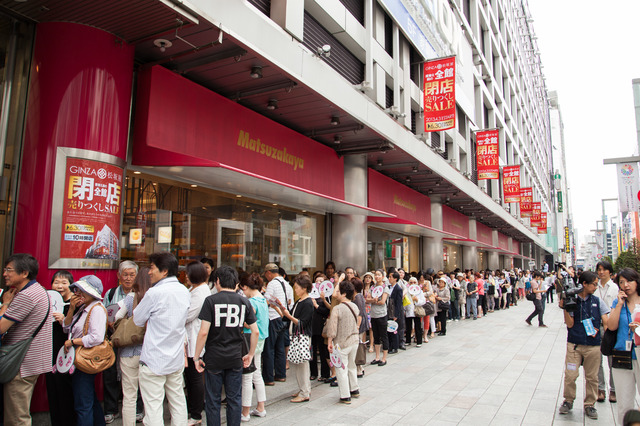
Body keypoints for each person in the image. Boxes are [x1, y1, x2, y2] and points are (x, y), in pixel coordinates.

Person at [194, 265, 259, 425]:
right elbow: (255, 331)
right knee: (234, 398)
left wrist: (196, 356)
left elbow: (203, 332)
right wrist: (250, 354)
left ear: (217, 281)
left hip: (214, 357)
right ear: (236, 283)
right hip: (235, 356)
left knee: (213, 399)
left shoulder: (210, 300)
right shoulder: (244, 301)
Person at [133, 252, 190, 426]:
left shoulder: (154, 293)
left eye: (151, 268)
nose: (149, 272)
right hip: (175, 357)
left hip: (154, 359)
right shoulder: (184, 290)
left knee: (153, 408)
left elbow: (137, 318)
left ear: (164, 271)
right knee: (178, 401)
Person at [0, 253, 52, 426]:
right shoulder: (39, 290)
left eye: (9, 270)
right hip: (31, 361)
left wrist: (6, 303)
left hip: (21, 364)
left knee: (17, 418)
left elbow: (0, 327)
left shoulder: (25, 296)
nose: (5, 274)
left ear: (24, 273)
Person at [557, 271, 609, 420]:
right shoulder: (573, 300)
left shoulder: (598, 301)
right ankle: (568, 400)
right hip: (574, 345)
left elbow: (606, 320)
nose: (595, 286)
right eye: (593, 284)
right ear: (584, 284)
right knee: (571, 375)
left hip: (593, 346)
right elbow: (570, 323)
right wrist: (566, 307)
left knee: (592, 377)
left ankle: (590, 404)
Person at [63, 275, 109, 426]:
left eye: (82, 290)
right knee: (89, 398)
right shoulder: (83, 308)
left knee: (83, 403)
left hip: (85, 358)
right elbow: (66, 327)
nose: (77, 293)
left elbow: (96, 337)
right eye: (77, 290)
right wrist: (71, 309)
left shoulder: (96, 309)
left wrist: (73, 342)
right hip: (77, 358)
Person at [102, 260, 138, 424]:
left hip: (132, 341)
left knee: (132, 376)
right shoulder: (110, 294)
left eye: (132, 275)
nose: (128, 278)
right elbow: (102, 313)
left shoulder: (140, 294)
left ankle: (136, 409)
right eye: (125, 274)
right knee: (110, 374)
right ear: (119, 276)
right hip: (113, 339)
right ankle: (111, 409)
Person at [114, 267, 151, 426]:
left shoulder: (129, 298)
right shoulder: (155, 297)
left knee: (129, 396)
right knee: (150, 396)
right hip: (149, 353)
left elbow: (114, 316)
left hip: (129, 352)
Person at [608, 268, 640, 424]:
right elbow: (611, 327)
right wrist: (619, 304)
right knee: (624, 404)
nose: (626, 285)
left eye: (629, 281)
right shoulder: (617, 302)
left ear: (636, 281)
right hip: (622, 355)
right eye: (621, 282)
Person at [46, 270, 77, 426]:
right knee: (52, 388)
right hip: (49, 352)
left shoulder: (75, 304)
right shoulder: (48, 302)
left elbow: (78, 329)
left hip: (67, 352)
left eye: (64, 283)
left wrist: (64, 320)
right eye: (56, 282)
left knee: (66, 389)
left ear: (70, 285)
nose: (59, 286)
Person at [239, 273, 269, 421]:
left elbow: (248, 323)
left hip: (250, 339)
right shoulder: (263, 299)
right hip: (261, 339)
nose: (243, 292)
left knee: (247, 376)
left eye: (243, 289)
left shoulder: (251, 302)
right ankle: (260, 407)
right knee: (257, 373)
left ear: (246, 287)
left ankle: (245, 412)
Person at [184, 262, 211, 425]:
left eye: (188, 273)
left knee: (195, 377)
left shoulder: (200, 292)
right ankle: (193, 410)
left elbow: (188, 315)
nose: (185, 276)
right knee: (191, 377)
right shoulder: (195, 289)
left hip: (195, 339)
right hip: (190, 338)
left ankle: (196, 414)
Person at [326, 280, 361, 404]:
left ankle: (345, 395)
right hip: (354, 341)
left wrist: (330, 341)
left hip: (342, 342)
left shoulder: (337, 309)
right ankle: (355, 389)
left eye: (339, 291)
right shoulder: (355, 306)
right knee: (351, 365)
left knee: (341, 368)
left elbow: (332, 327)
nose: (337, 293)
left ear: (344, 294)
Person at [281, 276, 314, 403]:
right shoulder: (300, 301)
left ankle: (304, 392)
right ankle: (303, 389)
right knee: (300, 364)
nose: (295, 290)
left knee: (302, 365)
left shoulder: (307, 303)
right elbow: (290, 318)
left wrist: (288, 315)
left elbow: (302, 323)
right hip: (297, 336)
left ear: (304, 288)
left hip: (303, 336)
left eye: (297, 288)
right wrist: (282, 311)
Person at [261, 263, 292, 386]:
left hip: (272, 318)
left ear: (269, 273)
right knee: (280, 348)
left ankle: (268, 378)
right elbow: (290, 303)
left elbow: (267, 301)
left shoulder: (272, 284)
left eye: (266, 274)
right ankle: (281, 374)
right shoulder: (287, 284)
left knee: (269, 349)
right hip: (282, 319)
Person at [594, 259, 619, 403]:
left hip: (611, 327)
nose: (601, 272)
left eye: (604, 269)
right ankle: (600, 389)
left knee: (612, 360)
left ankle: (614, 390)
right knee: (597, 361)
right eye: (599, 269)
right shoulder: (594, 286)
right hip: (596, 327)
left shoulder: (615, 288)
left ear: (610, 271)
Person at [365, 270, 389, 366]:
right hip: (373, 315)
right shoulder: (372, 287)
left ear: (383, 277)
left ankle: (384, 358)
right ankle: (377, 357)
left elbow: (382, 301)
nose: (377, 276)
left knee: (384, 336)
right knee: (376, 336)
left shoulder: (385, 288)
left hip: (382, 314)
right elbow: (367, 299)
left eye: (379, 275)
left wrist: (373, 301)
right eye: (376, 275)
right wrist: (372, 300)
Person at [352, 277, 368, 376]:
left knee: (357, 346)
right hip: (360, 324)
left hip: (359, 324)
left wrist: (357, 327)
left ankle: (359, 368)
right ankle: (360, 367)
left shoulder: (357, 297)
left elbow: (360, 314)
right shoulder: (359, 296)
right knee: (359, 344)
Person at [404, 276, 424, 347]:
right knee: (408, 326)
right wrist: (404, 309)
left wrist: (417, 300)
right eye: (411, 282)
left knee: (418, 326)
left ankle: (419, 341)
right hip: (408, 310)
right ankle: (408, 340)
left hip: (416, 310)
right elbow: (404, 301)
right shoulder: (406, 291)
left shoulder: (420, 291)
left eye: (414, 282)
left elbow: (423, 301)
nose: (412, 284)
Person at [386, 271, 403, 353]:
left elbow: (399, 303)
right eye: (389, 277)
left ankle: (395, 347)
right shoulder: (388, 287)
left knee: (394, 330)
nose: (389, 279)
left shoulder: (398, 289)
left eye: (390, 277)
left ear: (395, 279)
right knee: (388, 329)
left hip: (394, 312)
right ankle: (390, 346)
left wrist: (396, 314)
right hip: (388, 311)